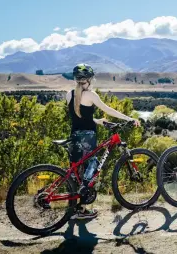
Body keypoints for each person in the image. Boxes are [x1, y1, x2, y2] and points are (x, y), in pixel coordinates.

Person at [66, 63, 141, 219]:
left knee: (75, 172)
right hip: (88, 136)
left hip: (74, 136)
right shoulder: (92, 95)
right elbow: (109, 110)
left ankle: (75, 208)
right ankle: (82, 208)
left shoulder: (69, 94)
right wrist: (129, 118)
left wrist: (97, 120)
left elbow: (78, 116)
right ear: (90, 79)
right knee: (91, 166)